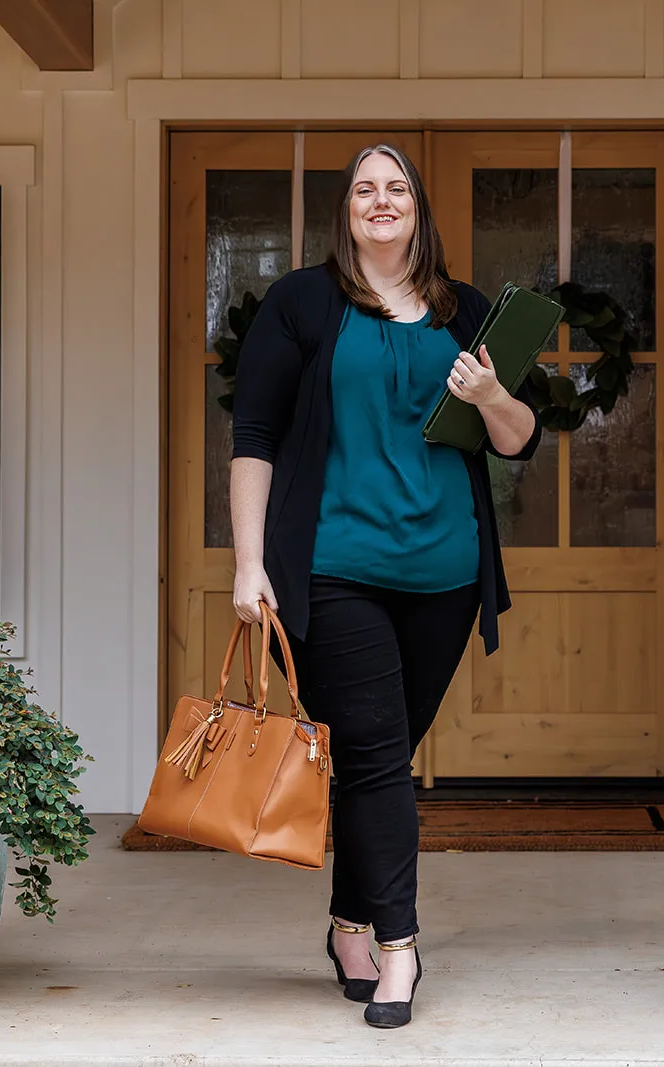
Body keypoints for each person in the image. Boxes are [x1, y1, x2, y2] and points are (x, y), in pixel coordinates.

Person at [227, 143, 541, 1029]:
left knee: (377, 762)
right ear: (347, 210)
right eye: (365, 189)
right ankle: (399, 946)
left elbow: (518, 439)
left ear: (418, 207)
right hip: (333, 569)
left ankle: (346, 924)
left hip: (444, 572)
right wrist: (250, 562)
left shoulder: (467, 311)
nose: (381, 201)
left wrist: (486, 393)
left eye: (396, 187)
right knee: (371, 756)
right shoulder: (301, 303)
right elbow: (254, 433)